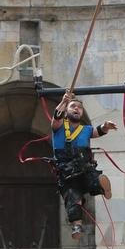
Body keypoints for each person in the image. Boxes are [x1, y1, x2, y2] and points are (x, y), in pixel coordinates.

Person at [51, 89, 116, 240]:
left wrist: (106, 126)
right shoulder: (58, 127)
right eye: (73, 106)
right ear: (66, 111)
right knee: (73, 198)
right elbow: (56, 117)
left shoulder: (86, 130)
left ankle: (101, 186)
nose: (76, 109)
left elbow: (98, 131)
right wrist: (64, 101)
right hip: (67, 172)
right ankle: (77, 225)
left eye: (79, 108)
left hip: (84, 167)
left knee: (92, 179)